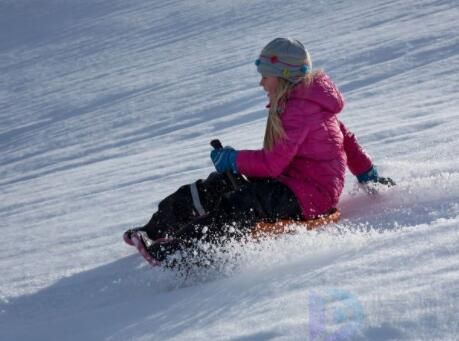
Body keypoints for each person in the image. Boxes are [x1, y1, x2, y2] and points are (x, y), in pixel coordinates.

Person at [123, 38, 394, 267]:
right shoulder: (309, 104)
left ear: (284, 78)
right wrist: (367, 174)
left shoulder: (299, 111)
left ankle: (183, 252)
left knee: (243, 201)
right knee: (218, 185)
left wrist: (232, 159)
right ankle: (154, 231)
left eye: (265, 76)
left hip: (310, 195)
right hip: (293, 183)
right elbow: (348, 141)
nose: (262, 83)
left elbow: (272, 165)